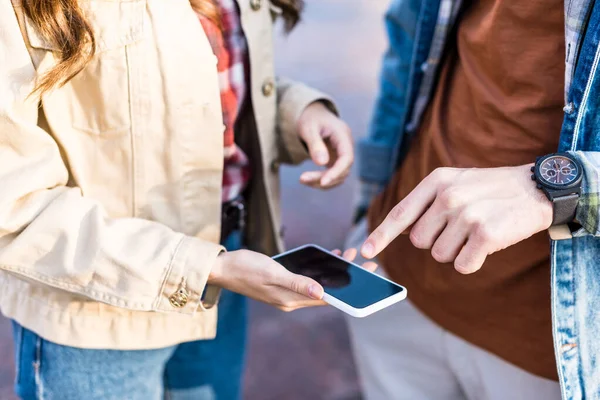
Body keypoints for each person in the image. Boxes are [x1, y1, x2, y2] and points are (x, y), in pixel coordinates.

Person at [0, 0, 355, 398]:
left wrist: (298, 112)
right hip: (93, 317)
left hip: (226, 272)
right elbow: (11, 205)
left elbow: (205, 81)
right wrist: (202, 268)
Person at [346, 0, 600, 398]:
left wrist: (565, 189)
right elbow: (409, 42)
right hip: (395, 287)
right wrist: (369, 203)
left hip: (559, 351)